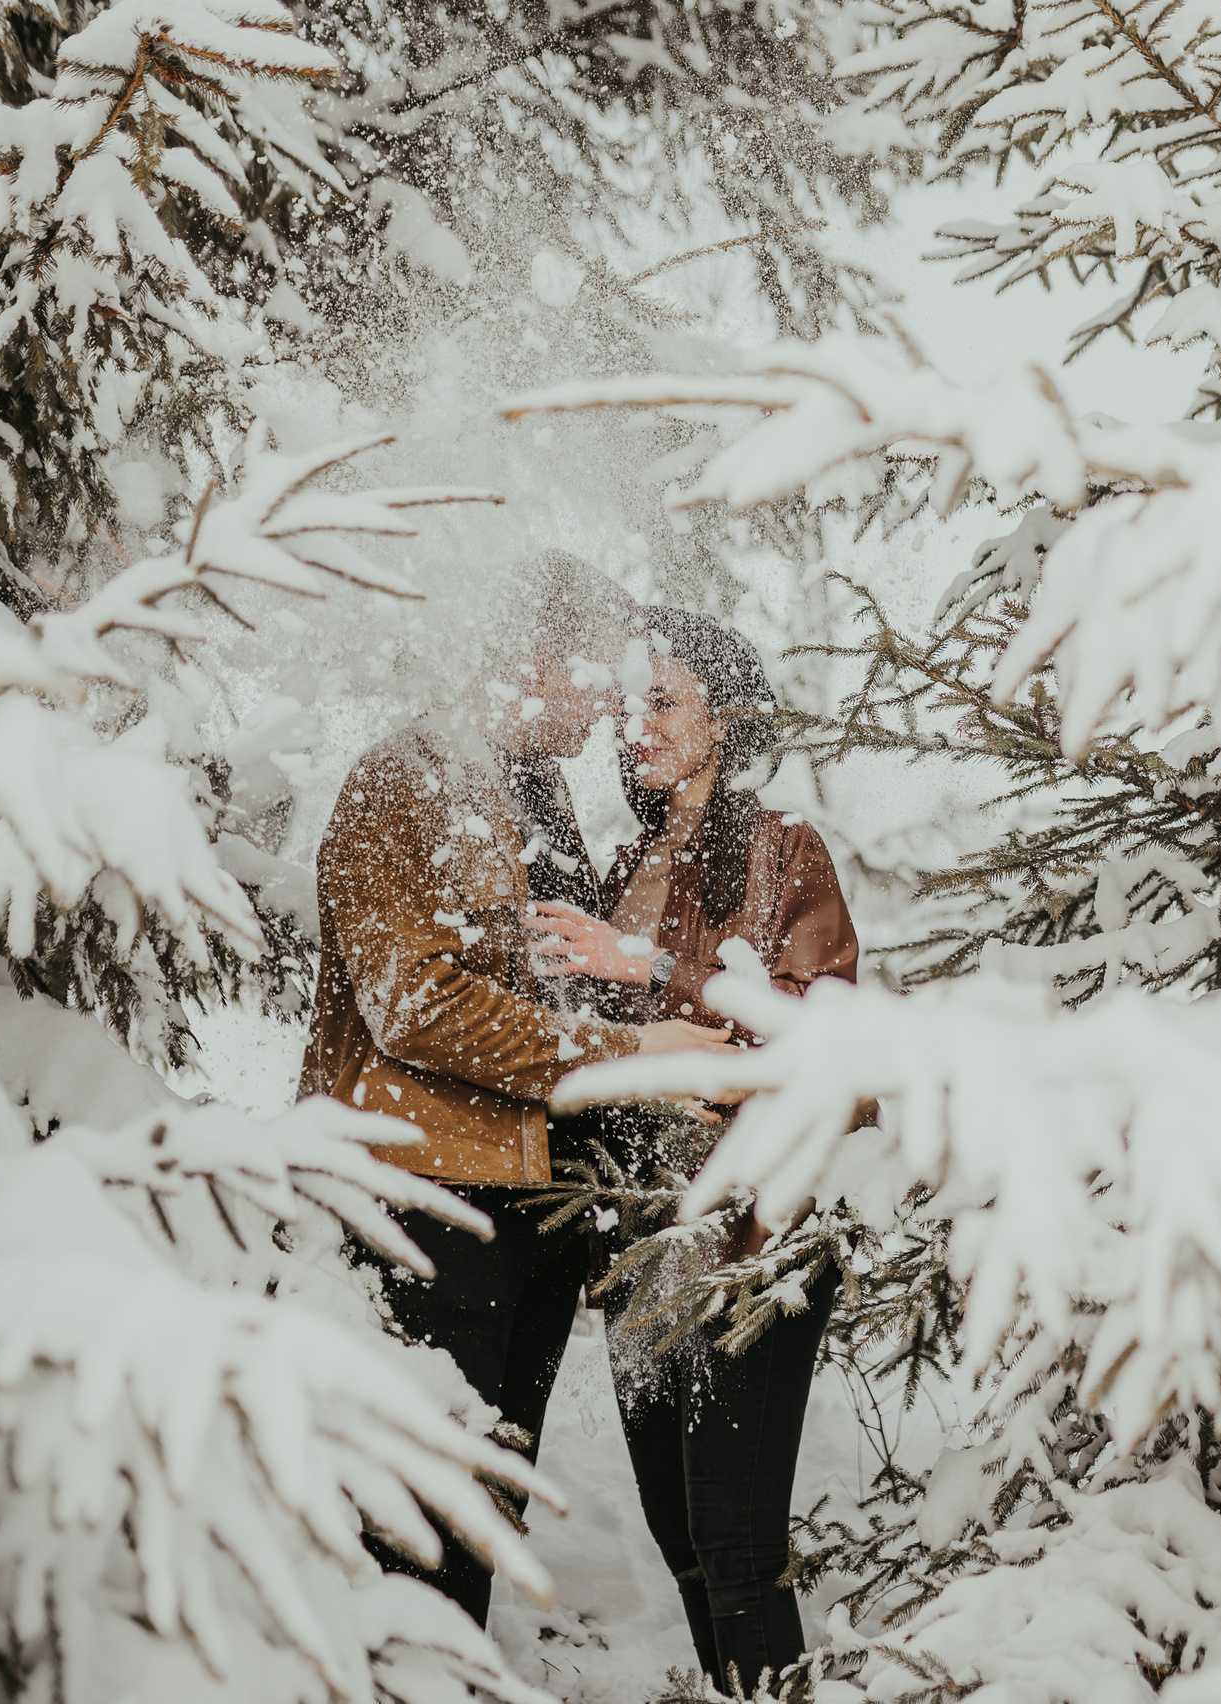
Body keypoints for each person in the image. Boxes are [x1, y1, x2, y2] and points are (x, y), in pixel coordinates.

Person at [300, 552, 732, 1625]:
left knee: (485, 1511)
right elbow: (417, 1005)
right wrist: (626, 1055)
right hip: (429, 1208)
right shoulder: (405, 779)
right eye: (599, 674)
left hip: (532, 1209)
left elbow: (543, 983)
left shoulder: (533, 785)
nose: (612, 707)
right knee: (416, 1519)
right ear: (536, 659)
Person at [523, 608, 860, 1691]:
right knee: (681, 1545)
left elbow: (816, 1039)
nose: (637, 723)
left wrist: (646, 968)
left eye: (664, 699)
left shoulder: (784, 849)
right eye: (630, 702)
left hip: (749, 1241)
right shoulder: (627, 859)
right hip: (642, 1249)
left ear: (727, 718)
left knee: (737, 1549)